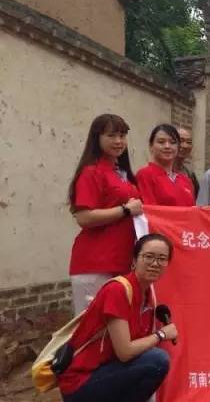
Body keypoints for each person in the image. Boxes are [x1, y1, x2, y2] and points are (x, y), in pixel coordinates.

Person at [58, 233, 178, 402]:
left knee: (153, 358)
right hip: (82, 381)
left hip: (109, 370)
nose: (155, 263)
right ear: (134, 261)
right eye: (148, 256)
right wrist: (161, 334)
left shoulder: (147, 294)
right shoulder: (118, 290)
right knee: (157, 360)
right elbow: (125, 352)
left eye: (162, 259)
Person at [68, 114, 143, 315]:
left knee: (117, 326)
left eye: (122, 135)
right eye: (111, 136)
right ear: (97, 138)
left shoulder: (123, 174)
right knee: (92, 326)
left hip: (122, 260)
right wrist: (125, 210)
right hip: (96, 262)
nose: (118, 141)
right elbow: (84, 217)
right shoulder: (91, 172)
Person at [136, 124, 195, 206]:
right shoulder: (145, 175)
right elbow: (150, 209)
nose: (167, 146)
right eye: (161, 142)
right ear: (151, 146)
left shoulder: (186, 181)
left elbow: (192, 209)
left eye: (172, 142)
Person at [175, 127, 199, 198]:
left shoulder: (190, 173)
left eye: (189, 142)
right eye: (181, 141)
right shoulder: (159, 171)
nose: (185, 146)